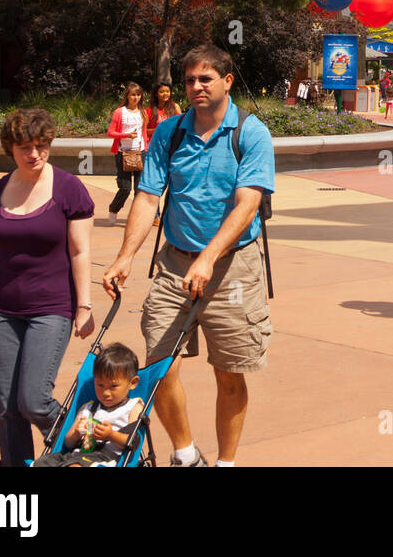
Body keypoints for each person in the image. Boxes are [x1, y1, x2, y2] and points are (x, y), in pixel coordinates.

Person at [102, 44, 274, 468]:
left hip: (233, 267)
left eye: (205, 79)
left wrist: (210, 256)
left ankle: (226, 463)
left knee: (230, 372)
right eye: (190, 81)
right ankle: (185, 454)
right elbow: (146, 197)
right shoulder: (170, 132)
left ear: (227, 81)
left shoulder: (250, 133)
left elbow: (247, 204)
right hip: (174, 262)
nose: (196, 87)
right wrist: (126, 256)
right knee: (158, 365)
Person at [0, 107, 95, 466]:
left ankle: (84, 445)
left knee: (34, 399)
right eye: (25, 147)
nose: (34, 154)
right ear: (9, 148)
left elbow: (80, 251)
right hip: (4, 312)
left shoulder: (69, 188)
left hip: (51, 308)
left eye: (42, 145)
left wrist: (84, 306)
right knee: (7, 407)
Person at [33, 343, 143, 467]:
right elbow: (68, 443)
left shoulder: (133, 407)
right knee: (42, 462)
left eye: (113, 386)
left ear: (133, 383)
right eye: (100, 385)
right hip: (77, 454)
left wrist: (110, 435)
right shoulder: (88, 408)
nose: (106, 393)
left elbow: (133, 442)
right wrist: (77, 433)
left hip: (105, 458)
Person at [106, 82, 148, 227]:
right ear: (128, 96)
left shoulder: (143, 112)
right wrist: (126, 135)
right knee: (125, 188)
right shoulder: (120, 112)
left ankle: (135, 218)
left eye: (138, 95)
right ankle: (113, 209)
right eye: (133, 95)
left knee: (139, 190)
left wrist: (145, 150)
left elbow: (143, 134)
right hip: (123, 153)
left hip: (140, 152)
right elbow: (110, 133)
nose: (135, 97)